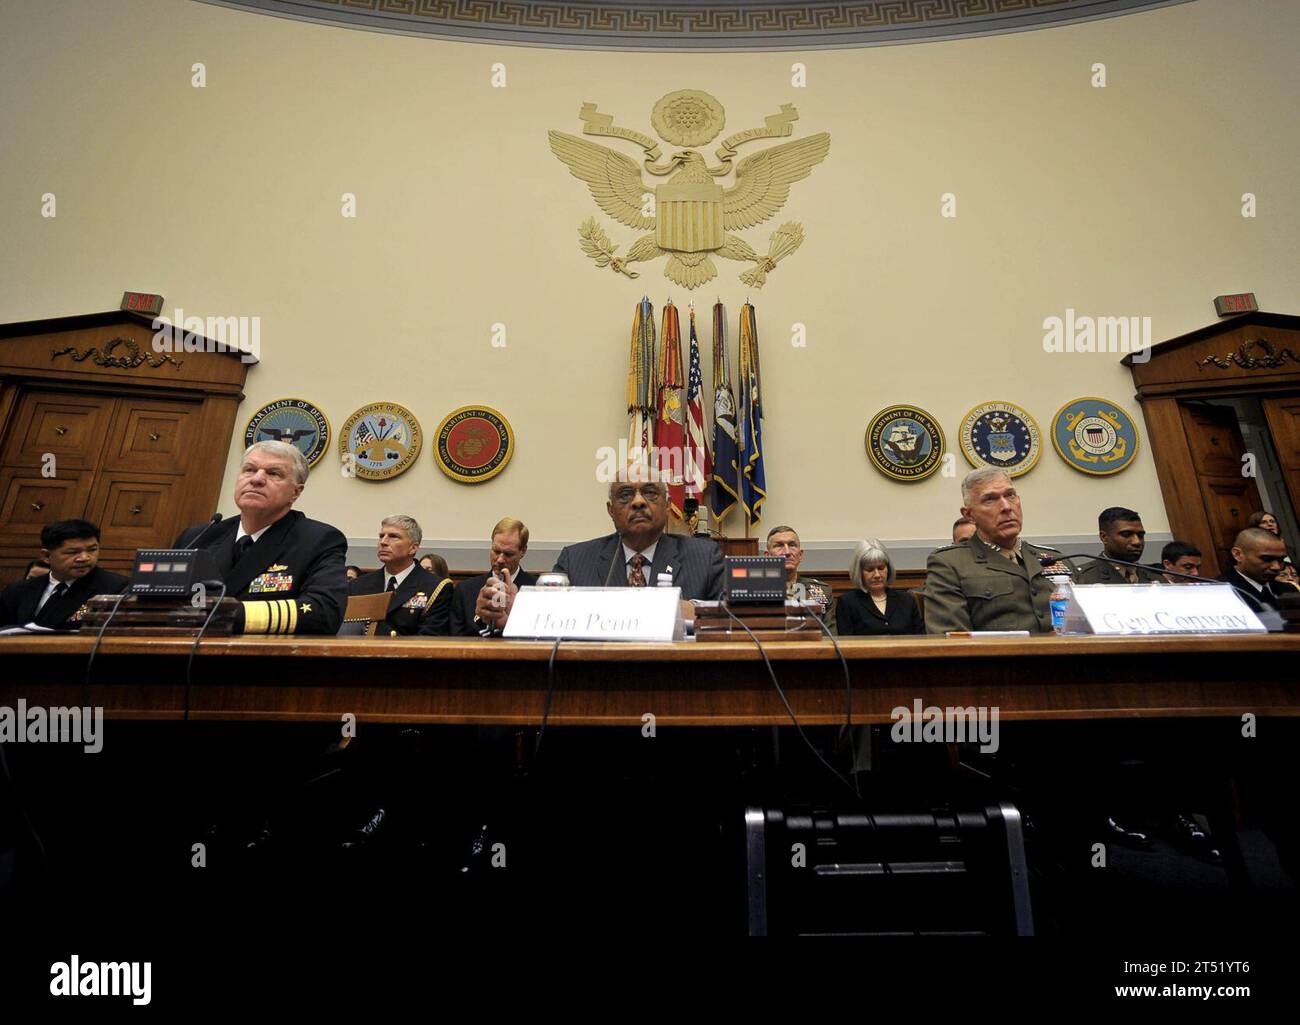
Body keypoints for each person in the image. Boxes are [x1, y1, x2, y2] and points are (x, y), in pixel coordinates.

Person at [174, 440, 348, 634]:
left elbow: (323, 613)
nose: (256, 479)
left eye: (274, 473)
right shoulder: (198, 537)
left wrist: (222, 614)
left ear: (296, 492)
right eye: (249, 469)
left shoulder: (318, 540)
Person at [923, 467, 1064, 634]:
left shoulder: (1055, 558)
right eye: (990, 500)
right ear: (969, 515)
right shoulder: (950, 564)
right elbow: (951, 640)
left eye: (1010, 495)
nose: (1006, 507)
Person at [550, 478, 724, 600]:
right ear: (611, 511)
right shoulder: (574, 561)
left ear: (668, 506)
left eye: (650, 493)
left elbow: (730, 622)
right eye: (625, 495)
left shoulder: (705, 558)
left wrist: (695, 611)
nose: (638, 501)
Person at [0, 520, 127, 630]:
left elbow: (81, 618)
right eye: (73, 552)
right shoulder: (17, 591)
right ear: (47, 556)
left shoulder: (114, 588)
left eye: (92, 550)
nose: (84, 558)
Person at [349, 515, 452, 636]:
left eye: (393, 537)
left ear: (413, 548)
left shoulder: (435, 587)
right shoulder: (358, 585)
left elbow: (430, 638)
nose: (383, 542)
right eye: (381, 536)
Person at [452, 517, 538, 637]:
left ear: (523, 551)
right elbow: (455, 640)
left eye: (508, 554)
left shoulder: (537, 590)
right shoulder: (465, 590)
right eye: (496, 551)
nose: (500, 559)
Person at [834, 538, 922, 636]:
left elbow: (921, 640)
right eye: (870, 569)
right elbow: (846, 645)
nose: (877, 575)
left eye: (881, 568)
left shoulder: (907, 601)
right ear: (859, 572)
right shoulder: (848, 603)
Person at [764, 524, 834, 626]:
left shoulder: (820, 591)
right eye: (779, 546)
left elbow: (830, 636)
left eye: (792, 545)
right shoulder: (753, 592)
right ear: (767, 556)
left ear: (800, 555)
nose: (787, 552)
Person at [1074, 506, 1160, 584]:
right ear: (1104, 537)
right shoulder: (1082, 578)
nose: (1137, 542)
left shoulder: (1156, 578)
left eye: (1140, 535)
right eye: (1126, 534)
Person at [1219, 527, 1288, 612]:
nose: (1277, 567)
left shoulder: (1288, 590)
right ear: (1238, 555)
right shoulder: (1218, 593)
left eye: (1281, 560)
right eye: (1266, 558)